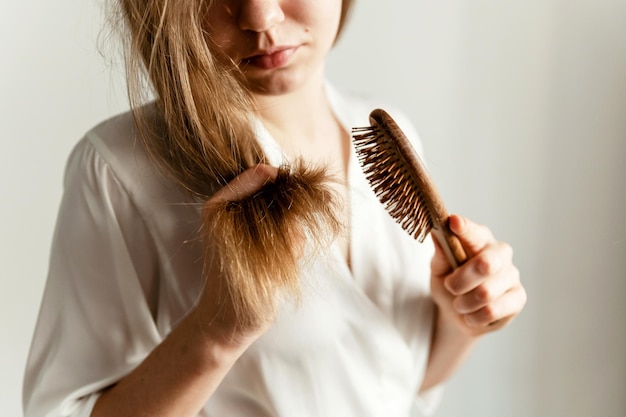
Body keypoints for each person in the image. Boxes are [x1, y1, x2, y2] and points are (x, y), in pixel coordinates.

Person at [23, 0, 527, 416]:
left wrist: (462, 319)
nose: (260, 17)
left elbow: (393, 388)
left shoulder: (385, 131)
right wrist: (218, 330)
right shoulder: (120, 171)